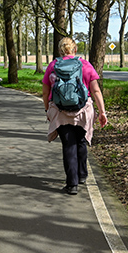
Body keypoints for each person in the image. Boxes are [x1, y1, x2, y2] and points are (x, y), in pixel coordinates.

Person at [42, 37, 107, 195]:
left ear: (60, 50)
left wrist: (47, 110)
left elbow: (45, 92)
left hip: (61, 112)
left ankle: (72, 184)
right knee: (81, 141)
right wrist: (102, 112)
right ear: (75, 49)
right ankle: (82, 175)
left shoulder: (53, 66)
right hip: (83, 111)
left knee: (68, 145)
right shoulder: (84, 65)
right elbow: (96, 90)